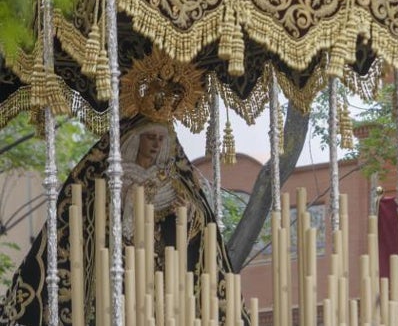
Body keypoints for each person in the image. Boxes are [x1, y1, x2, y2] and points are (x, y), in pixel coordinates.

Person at [0, 117, 248, 326]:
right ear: (135, 138)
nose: (156, 144)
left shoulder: (176, 186)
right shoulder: (108, 183)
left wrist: (190, 215)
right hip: (118, 277)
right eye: (150, 137)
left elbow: (200, 238)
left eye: (161, 139)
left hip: (166, 283)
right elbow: (86, 229)